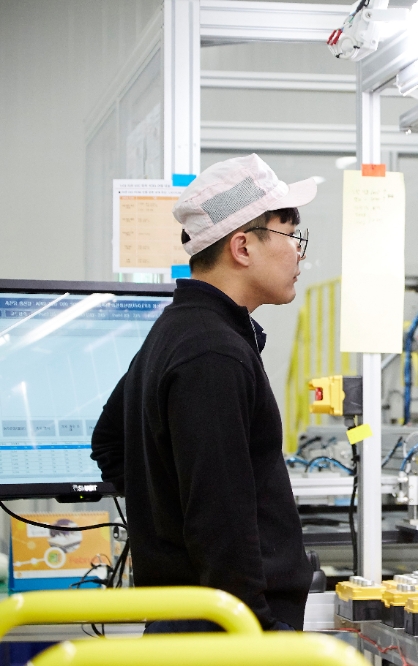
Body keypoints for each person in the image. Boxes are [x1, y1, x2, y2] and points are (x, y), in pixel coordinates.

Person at [91, 154, 316, 633]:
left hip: (193, 622)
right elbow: (222, 521)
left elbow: (108, 442)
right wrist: (257, 635)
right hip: (225, 636)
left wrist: (166, 528)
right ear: (242, 246)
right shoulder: (212, 352)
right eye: (291, 235)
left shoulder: (180, 332)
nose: (300, 253)